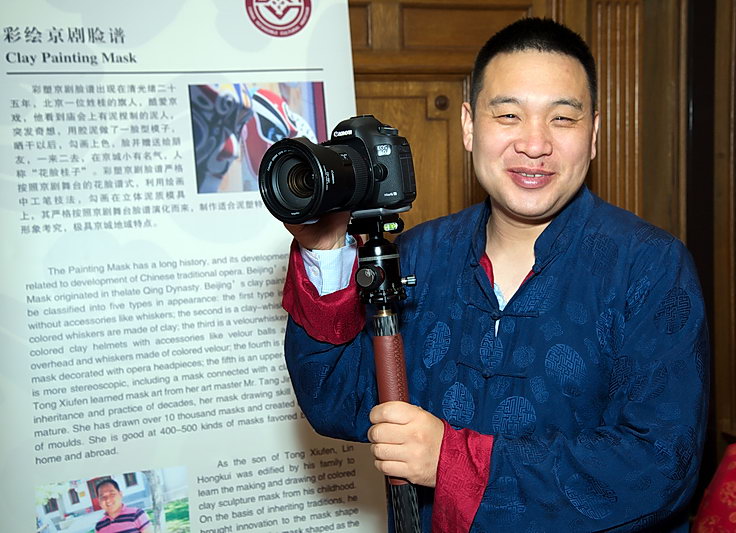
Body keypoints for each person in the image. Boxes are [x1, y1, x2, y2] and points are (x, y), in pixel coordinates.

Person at [279, 17, 709, 532]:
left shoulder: (650, 266)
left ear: (594, 134)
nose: (535, 144)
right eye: (508, 115)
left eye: (562, 119)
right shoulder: (417, 255)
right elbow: (337, 401)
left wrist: (451, 462)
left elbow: (660, 465)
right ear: (469, 125)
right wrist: (326, 250)